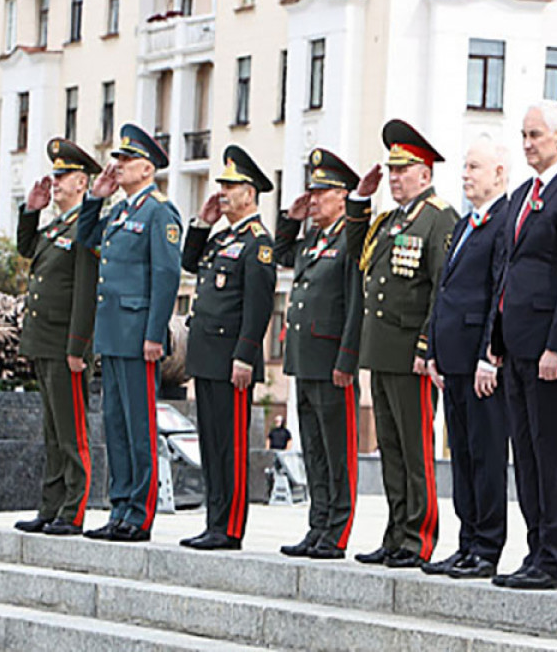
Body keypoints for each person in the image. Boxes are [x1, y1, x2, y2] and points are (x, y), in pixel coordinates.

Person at [487, 100, 557, 591]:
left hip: (550, 351)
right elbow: (504, 271)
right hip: (514, 347)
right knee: (525, 455)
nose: (529, 143)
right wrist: (495, 338)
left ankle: (552, 559)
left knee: (550, 456)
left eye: (536, 135)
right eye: (524, 135)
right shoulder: (520, 197)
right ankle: (533, 552)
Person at [345, 119, 458, 569]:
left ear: (425, 174)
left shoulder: (439, 218)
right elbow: (359, 253)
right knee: (390, 447)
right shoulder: (390, 220)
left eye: (403, 170)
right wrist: (359, 198)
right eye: (391, 170)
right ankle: (395, 533)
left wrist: (428, 345)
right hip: (383, 349)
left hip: (412, 351)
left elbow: (440, 287)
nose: (394, 178)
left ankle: (419, 536)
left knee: (415, 450)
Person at [76, 124, 182, 543]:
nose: (116, 167)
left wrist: (155, 333)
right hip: (114, 336)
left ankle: (140, 514)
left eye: (124, 161)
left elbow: (166, 273)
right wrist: (95, 198)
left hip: (140, 337)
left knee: (140, 428)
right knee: (116, 426)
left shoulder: (159, 212)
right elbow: (87, 239)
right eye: (116, 160)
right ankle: (120, 507)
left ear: (147, 167)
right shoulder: (119, 211)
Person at [422, 138, 511, 580]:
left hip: (480, 364)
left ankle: (487, 547)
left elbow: (499, 292)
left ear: (499, 173)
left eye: (475, 166)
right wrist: (434, 350)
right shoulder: (465, 225)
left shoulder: (504, 222)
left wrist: (487, 357)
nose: (465, 174)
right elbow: (445, 291)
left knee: (486, 454)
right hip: (452, 360)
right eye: (464, 166)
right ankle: (466, 542)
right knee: (461, 455)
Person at [180, 145, 277, 551]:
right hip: (206, 356)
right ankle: (212, 519)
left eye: (231, 186)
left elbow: (258, 308)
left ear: (250, 194)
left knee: (231, 446)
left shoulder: (259, 243)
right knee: (210, 444)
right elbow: (189, 263)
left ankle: (230, 526)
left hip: (231, 359)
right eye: (222, 184)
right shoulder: (222, 237)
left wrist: (245, 356)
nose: (223, 191)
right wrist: (201, 224)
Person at [275, 148, 364, 560]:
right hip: (304, 359)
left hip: (331, 363)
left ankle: (337, 530)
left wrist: (346, 358)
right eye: (311, 193)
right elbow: (281, 255)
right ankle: (317, 524)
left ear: (342, 197)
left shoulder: (350, 239)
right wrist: (289, 221)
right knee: (312, 447)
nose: (313, 200)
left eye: (321, 194)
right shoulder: (312, 239)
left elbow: (354, 302)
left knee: (336, 450)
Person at [13, 138, 101, 536]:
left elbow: (85, 289)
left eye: (63, 176)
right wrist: (31, 210)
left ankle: (74, 509)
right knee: (51, 431)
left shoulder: (87, 225)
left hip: (67, 345)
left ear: (82, 182)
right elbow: (27, 248)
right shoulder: (55, 225)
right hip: (43, 341)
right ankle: (49, 506)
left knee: (71, 433)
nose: (56, 182)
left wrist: (78, 347)